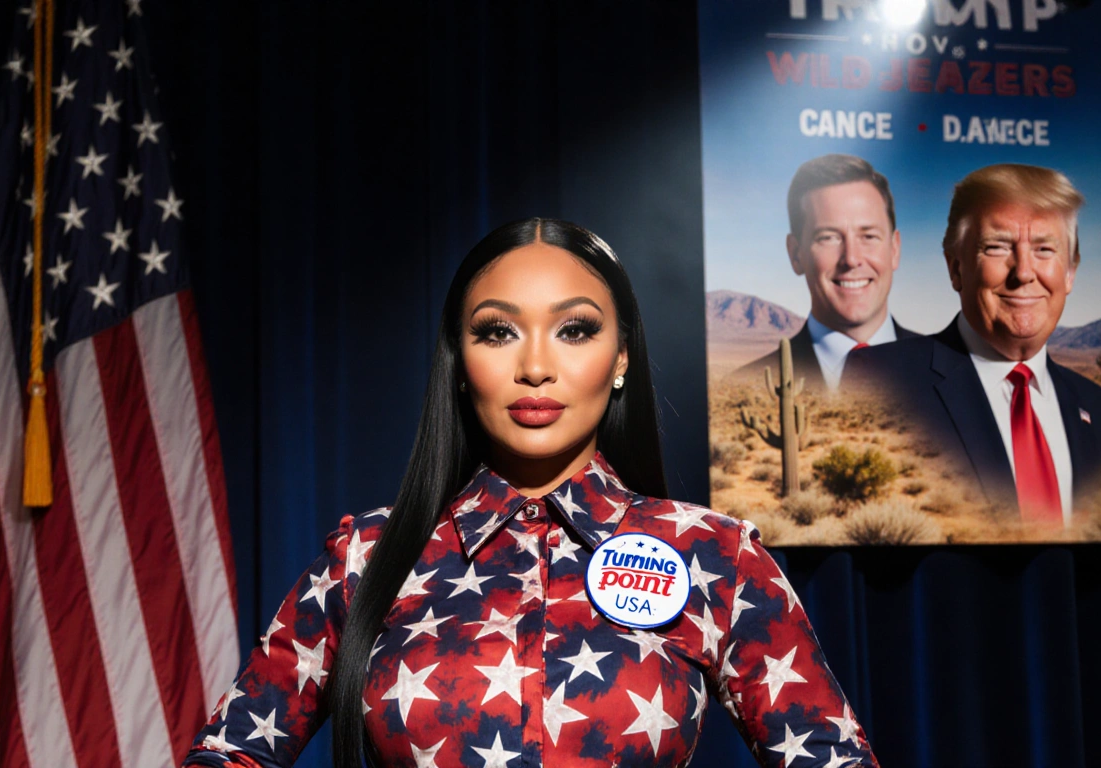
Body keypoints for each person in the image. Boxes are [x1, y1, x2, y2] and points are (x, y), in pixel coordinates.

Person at [183, 219, 878, 767]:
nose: (537, 366)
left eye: (575, 329)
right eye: (498, 332)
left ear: (622, 357)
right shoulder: (366, 557)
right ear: (461, 361)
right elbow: (231, 753)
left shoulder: (712, 555)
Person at [846, 164, 1101, 525]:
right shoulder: (878, 382)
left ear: (1070, 272)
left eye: (1045, 249)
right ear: (956, 268)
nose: (1024, 272)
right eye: (998, 247)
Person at [738, 154, 918, 393]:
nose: (852, 259)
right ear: (795, 254)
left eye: (868, 236)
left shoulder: (958, 375)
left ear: (894, 249)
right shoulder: (745, 390)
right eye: (828, 238)